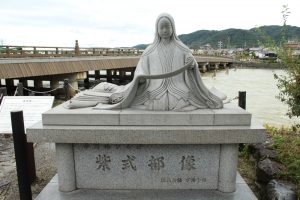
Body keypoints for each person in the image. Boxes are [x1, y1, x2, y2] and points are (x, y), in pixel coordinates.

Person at [66, 13, 224, 111]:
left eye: (167, 27)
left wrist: (193, 65)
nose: (164, 30)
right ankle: (97, 92)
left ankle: (102, 91)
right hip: (154, 89)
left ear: (173, 28)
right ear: (157, 29)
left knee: (183, 101)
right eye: (161, 27)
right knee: (120, 94)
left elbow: (192, 68)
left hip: (179, 89)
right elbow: (141, 69)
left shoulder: (182, 49)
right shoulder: (150, 50)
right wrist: (140, 77)